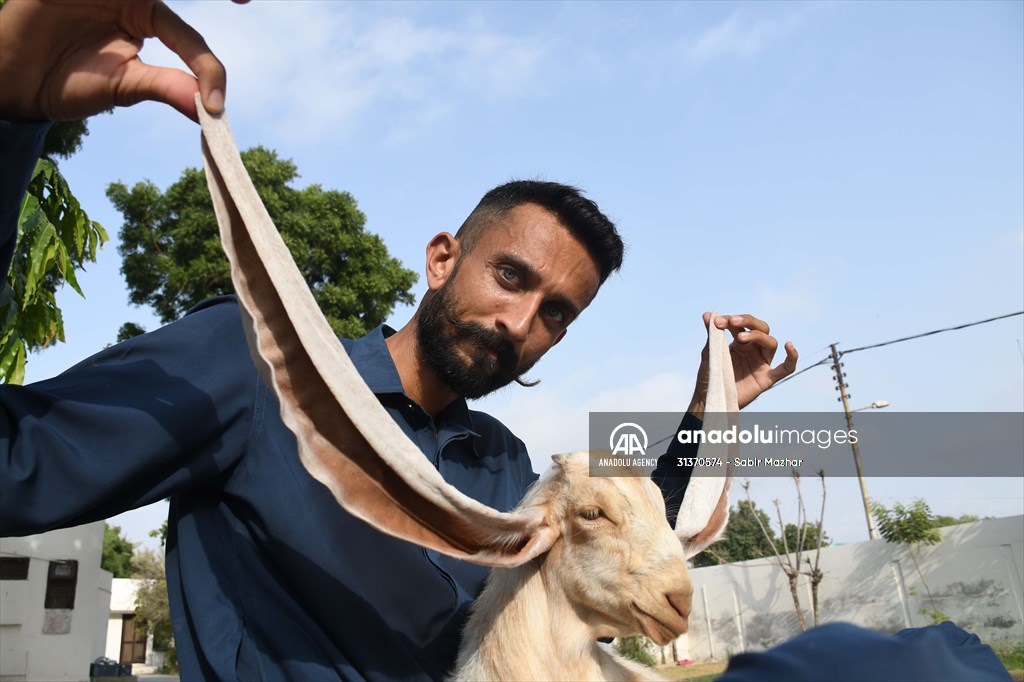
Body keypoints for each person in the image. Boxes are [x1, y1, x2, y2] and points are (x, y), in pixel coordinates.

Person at [2, 3, 1006, 682]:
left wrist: (713, 414)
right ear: (442, 257)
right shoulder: (256, 370)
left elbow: (613, 532)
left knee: (918, 661)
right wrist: (6, 109)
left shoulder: (499, 467)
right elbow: (14, 467)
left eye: (558, 313)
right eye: (511, 278)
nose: (521, 323)